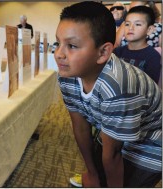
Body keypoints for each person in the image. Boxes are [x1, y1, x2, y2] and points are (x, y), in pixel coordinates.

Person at [55, 1, 161, 187]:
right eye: (58, 43)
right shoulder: (67, 74)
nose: (58, 54)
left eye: (71, 45)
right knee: (98, 176)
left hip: (149, 145)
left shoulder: (118, 87)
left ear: (103, 52)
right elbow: (80, 126)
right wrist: (92, 172)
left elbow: (112, 155)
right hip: (114, 134)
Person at [113, 6, 161, 84]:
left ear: (149, 30)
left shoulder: (153, 56)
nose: (131, 28)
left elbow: (150, 87)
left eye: (138, 24)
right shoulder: (117, 52)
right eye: (127, 24)